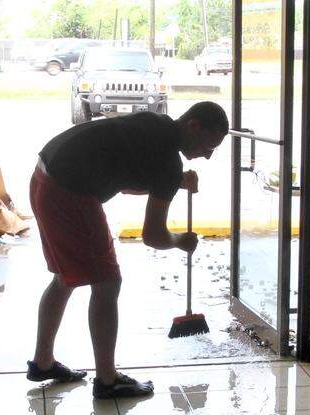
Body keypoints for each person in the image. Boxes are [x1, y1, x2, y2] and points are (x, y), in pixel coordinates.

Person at [26, 102, 229, 398]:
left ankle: (43, 363)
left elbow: (128, 173)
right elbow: (153, 235)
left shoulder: (156, 124)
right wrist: (179, 241)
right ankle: (108, 381)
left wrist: (176, 182)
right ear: (193, 126)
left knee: (64, 277)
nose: (208, 156)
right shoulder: (168, 164)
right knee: (107, 283)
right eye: (209, 146)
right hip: (69, 190)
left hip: (45, 175)